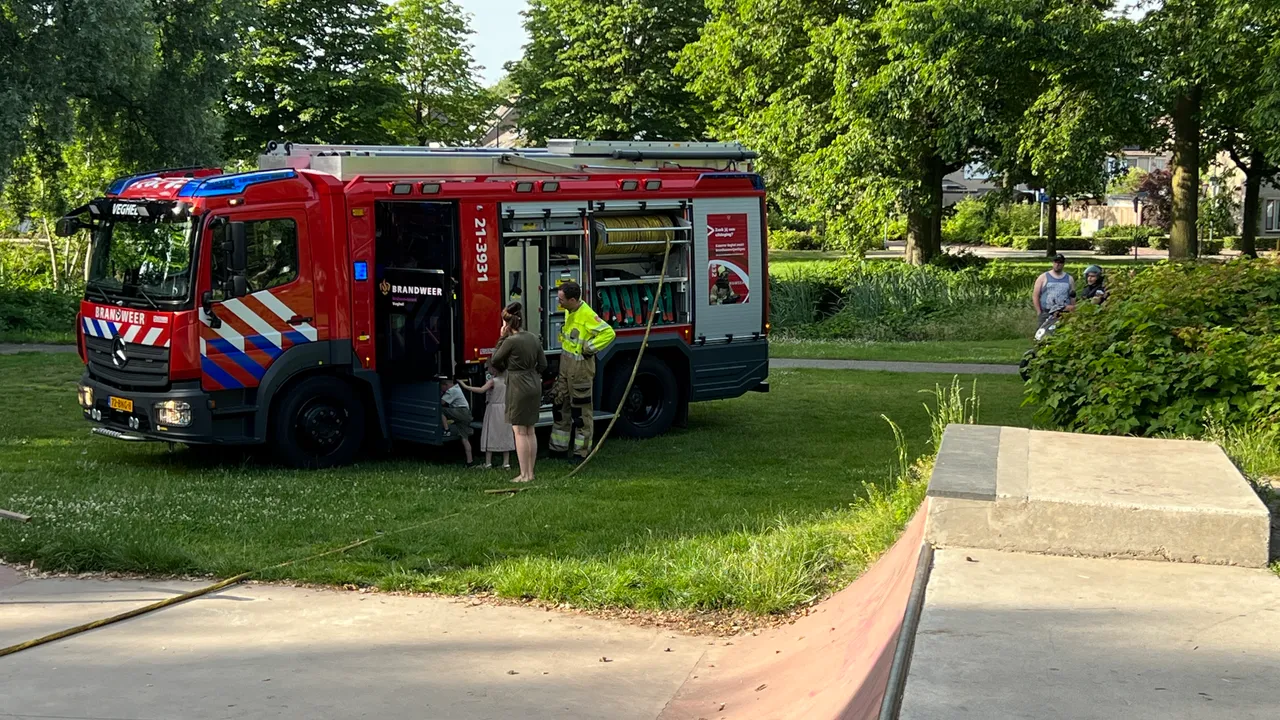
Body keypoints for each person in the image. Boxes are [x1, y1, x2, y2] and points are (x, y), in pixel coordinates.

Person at [549, 281, 616, 462]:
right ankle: (558, 449)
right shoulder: (569, 310)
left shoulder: (587, 315)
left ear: (572, 299)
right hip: (565, 368)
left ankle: (581, 453)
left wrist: (589, 347)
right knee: (560, 406)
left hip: (580, 371)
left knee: (581, 415)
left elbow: (609, 333)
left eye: (561, 299)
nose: (558, 302)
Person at [490, 302, 547, 482]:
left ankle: (524, 474)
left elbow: (495, 359)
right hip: (534, 383)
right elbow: (543, 365)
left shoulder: (510, 341)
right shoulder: (533, 338)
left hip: (517, 384)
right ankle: (531, 473)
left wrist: (501, 338)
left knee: (519, 431)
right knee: (530, 429)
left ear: (507, 324)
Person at [460, 364, 515, 470]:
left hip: (494, 409)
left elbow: (481, 390)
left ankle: (488, 462)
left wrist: (465, 386)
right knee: (505, 433)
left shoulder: (493, 381)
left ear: (495, 369)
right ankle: (506, 463)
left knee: (490, 432)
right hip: (505, 408)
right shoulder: (508, 380)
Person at [1032, 253, 1076, 326]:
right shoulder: (1043, 277)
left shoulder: (1069, 279)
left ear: (1063, 264)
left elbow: (1072, 296)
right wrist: (1039, 311)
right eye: (1056, 262)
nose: (1057, 264)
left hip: (1064, 313)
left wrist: (1073, 310)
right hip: (1046, 313)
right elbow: (1035, 295)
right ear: (1053, 263)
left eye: (1060, 262)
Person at [440, 377, 474, 466]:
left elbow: (442, 403)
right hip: (466, 413)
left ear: (445, 385)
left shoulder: (451, 391)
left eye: (441, 387)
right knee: (464, 438)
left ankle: (446, 430)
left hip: (461, 412)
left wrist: (441, 394)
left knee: (441, 410)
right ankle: (469, 462)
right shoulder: (457, 388)